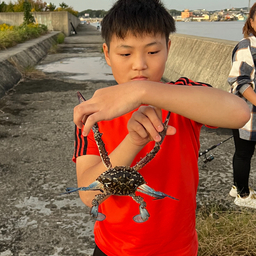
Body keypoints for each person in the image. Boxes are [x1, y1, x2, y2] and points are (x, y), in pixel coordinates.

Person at [72, 0, 250, 255]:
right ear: (106, 53)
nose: (139, 64)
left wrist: (142, 90)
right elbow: (89, 195)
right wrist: (133, 141)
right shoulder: (93, 112)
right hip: (112, 249)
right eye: (125, 54)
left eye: (152, 52)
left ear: (168, 48)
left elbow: (240, 112)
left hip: (178, 249)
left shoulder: (182, 97)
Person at [228, 2, 256, 209]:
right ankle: (242, 194)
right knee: (243, 153)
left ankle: (237, 186)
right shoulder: (246, 46)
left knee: (243, 153)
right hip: (246, 113)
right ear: (252, 22)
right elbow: (240, 81)